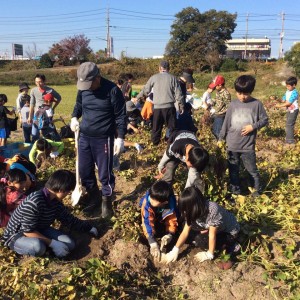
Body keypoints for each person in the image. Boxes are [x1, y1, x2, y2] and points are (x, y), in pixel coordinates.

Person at [70, 62, 127, 218]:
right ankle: (94, 196)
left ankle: (106, 202)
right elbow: (79, 105)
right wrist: (74, 117)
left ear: (98, 78)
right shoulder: (83, 89)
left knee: (105, 174)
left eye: (89, 83)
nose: (87, 87)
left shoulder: (112, 90)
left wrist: (120, 138)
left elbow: (121, 116)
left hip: (103, 138)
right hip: (84, 136)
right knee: (84, 170)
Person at [1, 170, 98, 258]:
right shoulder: (35, 201)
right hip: (17, 234)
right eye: (68, 192)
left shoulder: (56, 202)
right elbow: (27, 231)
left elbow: (68, 219)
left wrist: (88, 228)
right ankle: (38, 249)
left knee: (70, 244)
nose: (67, 195)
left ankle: (48, 249)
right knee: (38, 247)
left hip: (39, 228)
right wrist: (52, 243)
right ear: (61, 190)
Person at [162, 186, 240, 264]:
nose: (185, 212)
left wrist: (209, 254)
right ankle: (205, 234)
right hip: (210, 226)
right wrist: (175, 250)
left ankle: (231, 245)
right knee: (184, 229)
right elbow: (185, 231)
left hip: (228, 232)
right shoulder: (191, 210)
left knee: (201, 240)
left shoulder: (212, 210)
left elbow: (212, 235)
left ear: (194, 206)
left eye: (186, 209)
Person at [218, 75, 269, 196]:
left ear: (251, 91)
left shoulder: (257, 104)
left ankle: (256, 192)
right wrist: (221, 137)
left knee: (252, 170)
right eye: (239, 93)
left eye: (245, 93)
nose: (242, 96)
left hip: (247, 146)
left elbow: (265, 119)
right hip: (232, 145)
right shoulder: (233, 104)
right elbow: (226, 123)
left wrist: (253, 126)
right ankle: (236, 192)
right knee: (233, 171)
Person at [137, 60, 184, 145]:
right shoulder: (173, 78)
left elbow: (146, 90)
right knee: (172, 128)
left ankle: (155, 145)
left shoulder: (154, 77)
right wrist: (181, 106)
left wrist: (137, 97)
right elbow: (178, 93)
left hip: (157, 108)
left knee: (156, 128)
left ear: (159, 68)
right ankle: (171, 145)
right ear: (168, 68)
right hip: (169, 108)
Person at [139, 180, 178, 261]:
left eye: (154, 200)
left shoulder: (170, 204)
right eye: (151, 197)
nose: (151, 200)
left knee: (177, 216)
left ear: (165, 202)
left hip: (162, 211)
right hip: (152, 213)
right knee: (150, 219)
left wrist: (170, 234)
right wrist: (152, 241)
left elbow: (171, 220)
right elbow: (147, 222)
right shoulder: (147, 203)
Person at [28, 74, 62, 142]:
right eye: (36, 82)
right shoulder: (33, 91)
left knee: (47, 134)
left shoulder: (50, 90)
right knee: (34, 135)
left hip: (47, 115)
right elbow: (32, 104)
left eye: (40, 82)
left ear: (44, 81)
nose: (38, 84)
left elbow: (59, 98)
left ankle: (48, 147)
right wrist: (30, 117)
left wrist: (53, 108)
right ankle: (35, 149)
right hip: (37, 115)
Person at [275, 76, 299, 144]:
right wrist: (276, 99)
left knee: (289, 124)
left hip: (294, 110)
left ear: (294, 85)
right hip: (289, 110)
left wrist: (279, 106)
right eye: (287, 86)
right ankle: (288, 139)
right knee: (288, 124)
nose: (287, 87)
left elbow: (288, 103)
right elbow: (283, 100)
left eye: (288, 86)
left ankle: (290, 141)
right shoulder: (287, 91)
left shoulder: (294, 93)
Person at [209, 75, 231, 139]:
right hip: (216, 113)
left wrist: (215, 110)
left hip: (221, 115)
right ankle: (216, 140)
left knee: (218, 131)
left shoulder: (226, 93)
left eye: (215, 86)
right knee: (214, 129)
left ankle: (220, 143)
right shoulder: (218, 91)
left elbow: (226, 105)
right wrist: (211, 103)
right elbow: (216, 99)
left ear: (220, 85)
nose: (214, 87)